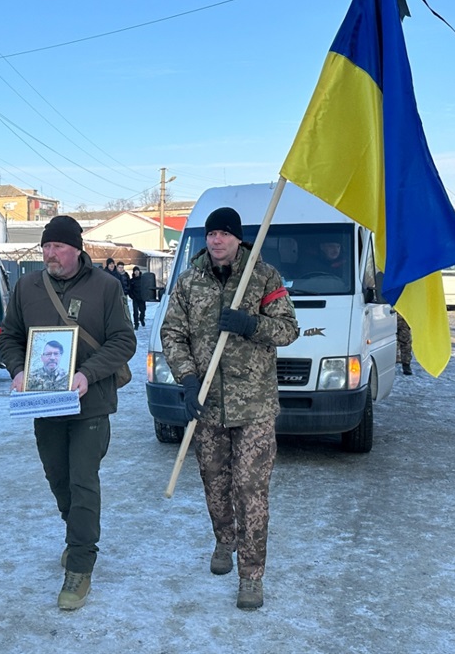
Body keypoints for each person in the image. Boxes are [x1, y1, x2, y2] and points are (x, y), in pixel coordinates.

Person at [159, 207, 298, 610]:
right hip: (208, 405)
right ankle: (225, 539)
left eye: (224, 233)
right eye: (211, 234)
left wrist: (251, 325)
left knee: (250, 491)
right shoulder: (189, 281)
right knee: (215, 484)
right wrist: (187, 380)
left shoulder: (263, 276)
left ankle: (251, 576)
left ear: (238, 239)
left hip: (254, 406)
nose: (216, 240)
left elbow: (288, 329)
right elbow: (172, 333)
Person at [0, 215, 136, 611]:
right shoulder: (27, 287)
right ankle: (77, 534)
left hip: (90, 402)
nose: (50, 254)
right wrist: (19, 370)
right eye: (46, 247)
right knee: (58, 477)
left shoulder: (106, 287)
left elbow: (123, 340)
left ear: (77, 249)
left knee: (82, 480)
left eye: (57, 246)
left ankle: (80, 563)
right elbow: (10, 337)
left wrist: (87, 374)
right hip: (45, 403)